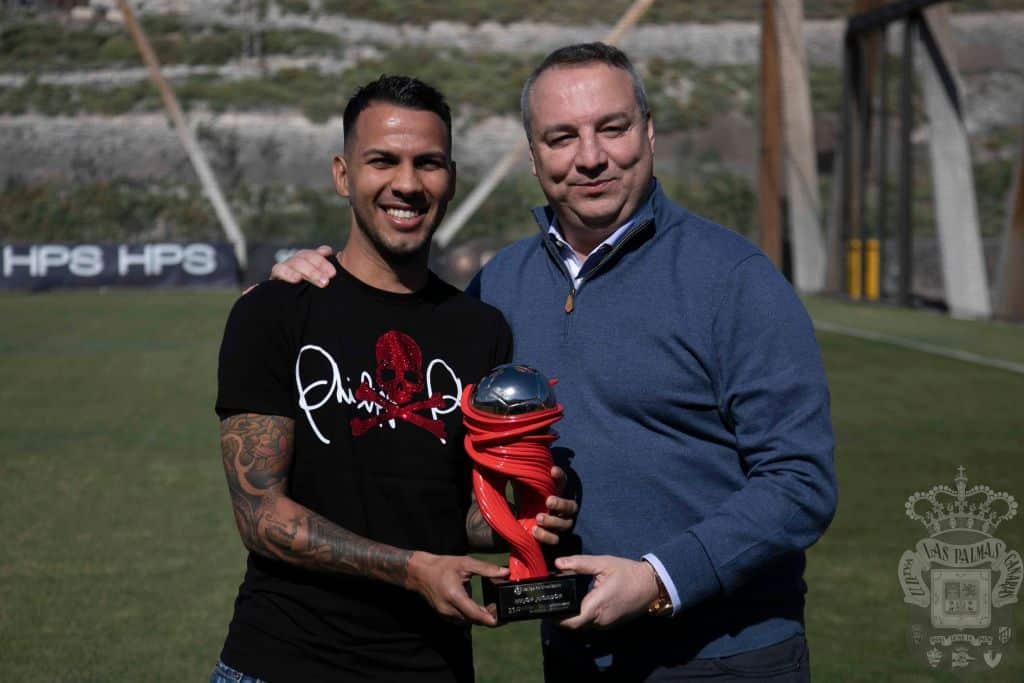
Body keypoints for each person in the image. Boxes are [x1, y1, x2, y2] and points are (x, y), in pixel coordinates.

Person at [272, 43, 837, 682]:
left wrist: (661, 579)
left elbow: (800, 482)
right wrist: (297, 285)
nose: (590, 157)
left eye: (612, 129)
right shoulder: (497, 288)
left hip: (725, 659)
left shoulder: (734, 278)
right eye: (561, 137)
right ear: (535, 157)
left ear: (648, 134)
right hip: (574, 658)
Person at [213, 75, 577, 683]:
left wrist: (525, 516)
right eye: (383, 160)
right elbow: (261, 518)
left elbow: (452, 512)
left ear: (451, 179)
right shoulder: (275, 311)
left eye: (428, 163)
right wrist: (411, 569)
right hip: (283, 663)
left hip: (432, 666)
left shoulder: (480, 329)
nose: (407, 184)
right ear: (342, 174)